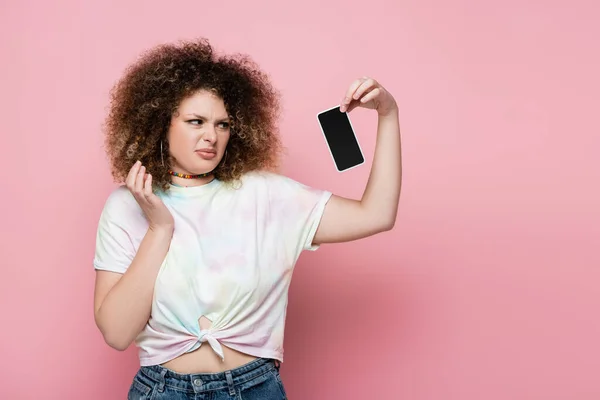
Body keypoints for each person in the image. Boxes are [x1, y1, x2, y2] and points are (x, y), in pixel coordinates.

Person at [93, 38, 402, 400]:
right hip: (162, 390)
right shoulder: (127, 204)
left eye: (222, 125)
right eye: (196, 121)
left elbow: (377, 214)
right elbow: (116, 333)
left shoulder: (265, 195)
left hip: (254, 388)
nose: (211, 136)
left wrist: (388, 115)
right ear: (161, 124)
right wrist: (160, 228)